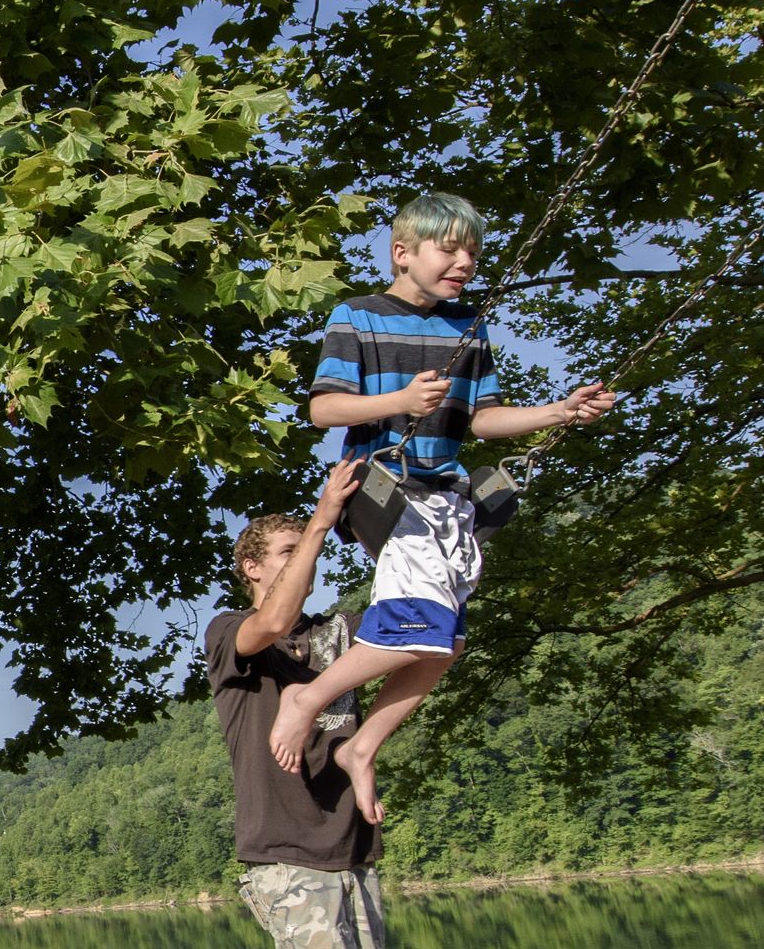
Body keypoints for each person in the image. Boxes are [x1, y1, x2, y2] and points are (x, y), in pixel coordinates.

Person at [262, 192, 617, 821]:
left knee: (444, 643)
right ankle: (307, 700)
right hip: (384, 489)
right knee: (420, 622)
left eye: (472, 252)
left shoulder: (469, 327)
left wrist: (560, 411)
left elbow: (481, 420)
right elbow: (324, 408)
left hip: (449, 497)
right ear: (402, 253)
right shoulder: (359, 316)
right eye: (449, 248)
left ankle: (362, 747)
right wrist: (398, 399)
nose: (464, 262)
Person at [210, 463, 496, 949]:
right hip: (284, 856)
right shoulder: (232, 639)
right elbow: (272, 623)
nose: (308, 553)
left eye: (311, 546)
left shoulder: (339, 634)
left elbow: (422, 643)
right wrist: (324, 506)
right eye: (289, 548)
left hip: (350, 848)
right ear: (253, 566)